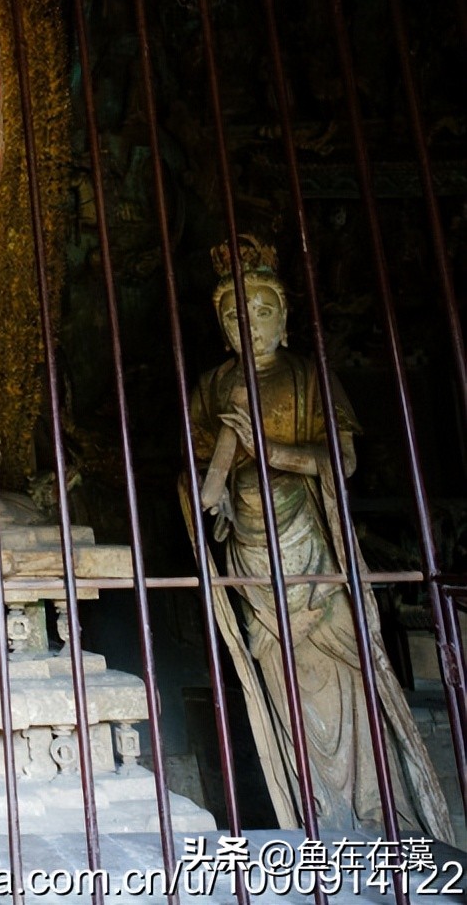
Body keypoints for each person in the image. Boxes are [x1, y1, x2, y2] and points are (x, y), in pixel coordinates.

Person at [184, 236, 450, 839]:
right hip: (251, 551)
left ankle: (380, 812)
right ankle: (318, 819)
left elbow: (343, 459)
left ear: (286, 318)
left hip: (311, 546)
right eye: (233, 315)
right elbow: (196, 472)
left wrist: (269, 447)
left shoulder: (309, 377)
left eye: (261, 311)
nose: (247, 325)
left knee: (347, 677)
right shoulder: (211, 386)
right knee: (283, 679)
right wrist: (217, 485)